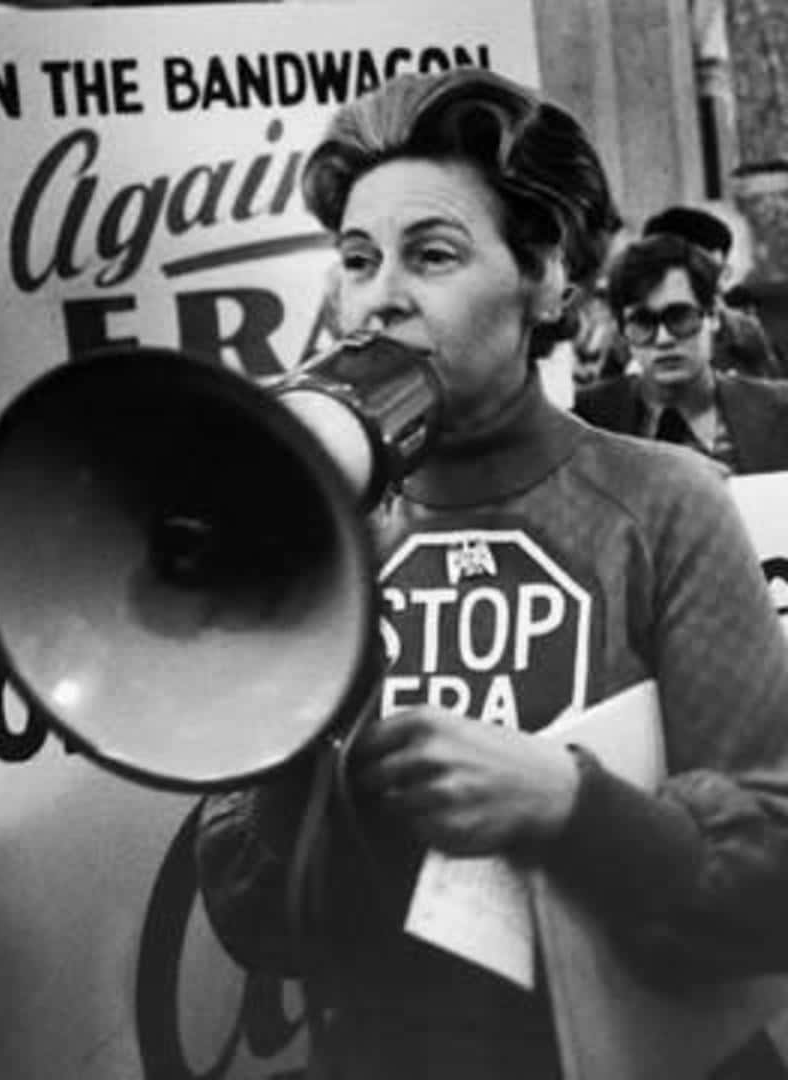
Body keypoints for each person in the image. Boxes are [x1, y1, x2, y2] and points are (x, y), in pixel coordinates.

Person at [195, 69, 788, 1078]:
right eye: (356, 258)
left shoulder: (664, 503)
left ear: (545, 278)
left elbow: (768, 884)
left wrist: (571, 808)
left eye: (432, 255)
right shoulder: (314, 528)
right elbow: (257, 916)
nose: (380, 296)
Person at [574, 233, 788, 474]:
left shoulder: (780, 409)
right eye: (643, 322)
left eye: (680, 317)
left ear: (714, 315)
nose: (664, 339)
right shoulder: (588, 418)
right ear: (622, 331)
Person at [642, 203, 784, 379]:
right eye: (701, 273)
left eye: (719, 272)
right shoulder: (628, 336)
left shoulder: (745, 332)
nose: (717, 286)